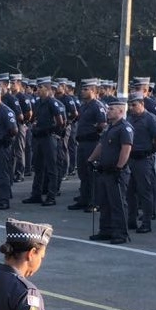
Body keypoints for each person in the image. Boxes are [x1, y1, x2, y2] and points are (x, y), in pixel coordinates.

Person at [88, 97, 133, 244]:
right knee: (105, 202)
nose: (108, 111)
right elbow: (101, 146)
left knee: (117, 203)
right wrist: (91, 159)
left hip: (116, 172)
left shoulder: (125, 127)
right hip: (105, 171)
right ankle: (106, 230)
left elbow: (126, 149)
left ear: (121, 111)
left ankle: (120, 233)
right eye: (108, 109)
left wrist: (119, 167)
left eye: (111, 109)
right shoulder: (110, 127)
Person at [23, 78, 64, 206]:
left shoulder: (52, 102)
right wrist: (35, 126)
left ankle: (51, 196)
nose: (38, 90)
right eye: (38, 88)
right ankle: (36, 194)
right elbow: (34, 117)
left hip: (48, 137)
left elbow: (60, 122)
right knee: (38, 167)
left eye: (40, 88)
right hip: (39, 137)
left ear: (47, 89)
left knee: (51, 168)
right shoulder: (38, 102)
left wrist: (49, 130)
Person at [69, 79, 107, 212]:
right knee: (83, 172)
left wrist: (93, 131)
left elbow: (103, 124)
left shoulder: (97, 106)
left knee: (93, 173)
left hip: (92, 142)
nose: (83, 91)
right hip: (82, 142)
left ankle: (94, 202)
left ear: (93, 91)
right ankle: (84, 199)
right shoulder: (84, 105)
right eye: (83, 89)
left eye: (86, 89)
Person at [124, 93, 156, 233]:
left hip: (143, 159)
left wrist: (149, 151)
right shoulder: (130, 118)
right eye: (130, 105)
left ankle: (146, 222)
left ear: (142, 104)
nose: (132, 108)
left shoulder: (150, 119)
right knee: (130, 191)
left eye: (134, 105)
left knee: (144, 192)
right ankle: (131, 220)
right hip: (131, 159)